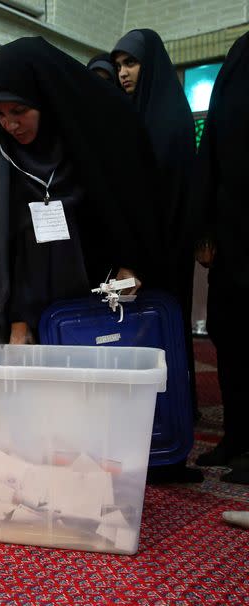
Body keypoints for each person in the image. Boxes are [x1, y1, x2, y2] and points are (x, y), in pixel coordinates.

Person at [0, 37, 158, 345]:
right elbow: (11, 244)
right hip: (38, 305)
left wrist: (129, 261)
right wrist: (18, 319)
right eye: (0, 114)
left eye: (19, 110)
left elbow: (126, 207)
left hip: (101, 292)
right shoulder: (6, 156)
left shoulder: (87, 140)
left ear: (44, 99)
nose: (10, 125)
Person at [112, 28, 199, 431]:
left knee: (165, 325)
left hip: (165, 244)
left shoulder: (169, 117)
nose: (123, 73)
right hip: (141, 242)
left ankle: (173, 411)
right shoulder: (135, 114)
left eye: (131, 63)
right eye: (118, 66)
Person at [192, 32, 249, 481]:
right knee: (229, 340)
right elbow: (212, 152)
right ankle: (236, 438)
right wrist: (206, 229)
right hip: (231, 238)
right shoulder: (238, 56)